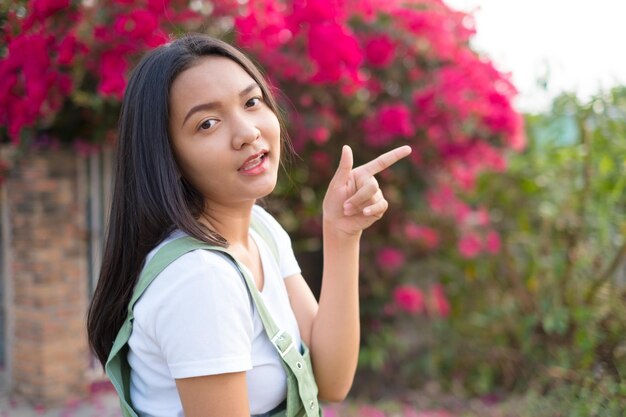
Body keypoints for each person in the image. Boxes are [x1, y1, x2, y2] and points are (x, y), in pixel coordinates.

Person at [86, 34, 411, 417]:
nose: (247, 132)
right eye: (207, 123)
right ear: (168, 159)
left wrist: (342, 234)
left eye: (251, 102)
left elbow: (330, 381)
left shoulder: (260, 228)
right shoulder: (200, 280)